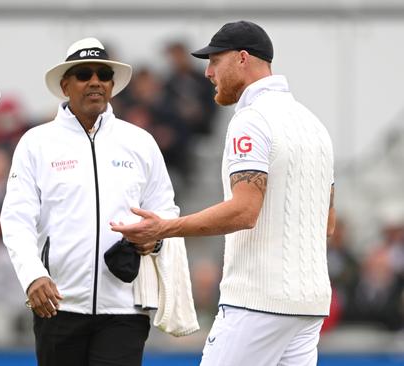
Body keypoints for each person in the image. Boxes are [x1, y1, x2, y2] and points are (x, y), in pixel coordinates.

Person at [111, 21, 335, 366]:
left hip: (258, 302)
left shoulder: (251, 119)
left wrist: (163, 228)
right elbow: (327, 224)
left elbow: (245, 211)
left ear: (243, 58)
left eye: (215, 61)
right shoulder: (314, 125)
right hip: (309, 305)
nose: (208, 72)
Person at [0, 37, 180, 366]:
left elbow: (165, 210)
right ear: (66, 85)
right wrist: (33, 276)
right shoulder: (36, 143)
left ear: (112, 85)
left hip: (125, 306)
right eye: (84, 74)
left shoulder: (140, 142)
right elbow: (16, 219)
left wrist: (153, 240)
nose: (95, 81)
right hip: (57, 304)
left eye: (103, 74)